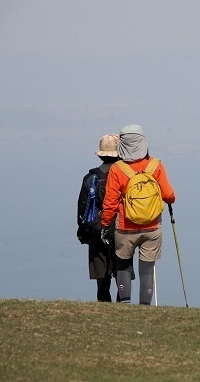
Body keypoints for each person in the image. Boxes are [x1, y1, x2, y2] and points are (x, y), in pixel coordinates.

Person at [101, 124, 176, 305]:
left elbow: (110, 202)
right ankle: (145, 307)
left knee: (123, 266)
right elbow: (169, 196)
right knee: (147, 269)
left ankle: (125, 304)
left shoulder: (118, 169)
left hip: (125, 227)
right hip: (152, 227)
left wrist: (105, 224)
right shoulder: (155, 165)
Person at [76, 134, 120, 302]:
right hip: (120, 230)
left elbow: (82, 209)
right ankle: (123, 303)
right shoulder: (125, 177)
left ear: (100, 154)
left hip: (97, 230)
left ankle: (104, 304)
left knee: (102, 275)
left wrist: (84, 233)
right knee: (121, 270)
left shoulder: (90, 178)